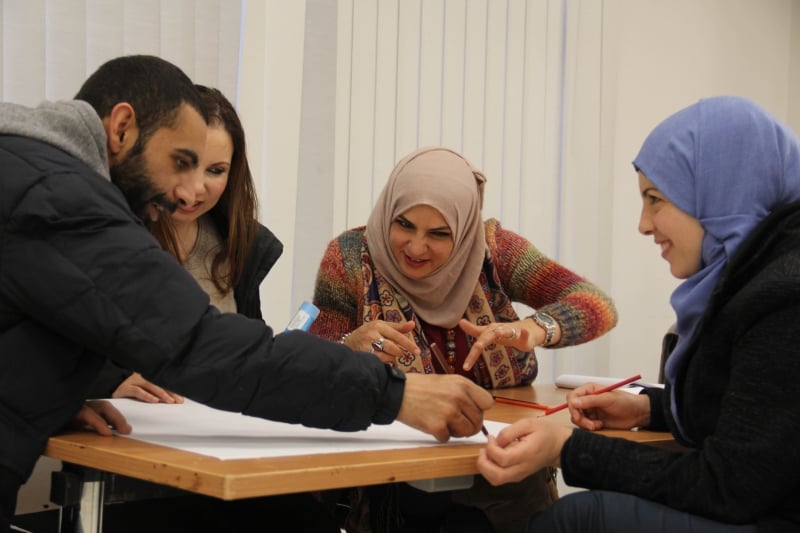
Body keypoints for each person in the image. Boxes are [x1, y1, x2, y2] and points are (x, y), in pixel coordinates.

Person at [0, 55, 494, 532]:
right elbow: (199, 345)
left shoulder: (28, 173)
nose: (183, 191)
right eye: (179, 162)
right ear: (122, 128)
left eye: (211, 170)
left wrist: (59, 397)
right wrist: (394, 393)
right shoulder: (60, 199)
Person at [476, 96, 800, 532]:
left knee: (581, 518)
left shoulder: (784, 296)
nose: (643, 224)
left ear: (720, 194)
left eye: (656, 200)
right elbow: (763, 417)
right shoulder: (762, 273)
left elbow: (730, 485)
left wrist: (569, 448)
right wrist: (647, 410)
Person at [309, 146, 618, 532]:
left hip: (501, 471)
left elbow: (596, 304)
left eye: (439, 234)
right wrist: (348, 348)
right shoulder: (351, 258)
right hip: (396, 481)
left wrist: (535, 330)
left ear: (466, 227)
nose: (416, 247)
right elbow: (311, 366)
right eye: (403, 225)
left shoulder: (493, 249)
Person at [88, 84, 284, 403]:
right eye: (183, 164)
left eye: (215, 170)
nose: (195, 189)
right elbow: (43, 345)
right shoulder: (105, 231)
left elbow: (247, 357)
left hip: (213, 434)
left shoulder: (243, 244)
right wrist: (109, 382)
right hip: (121, 437)